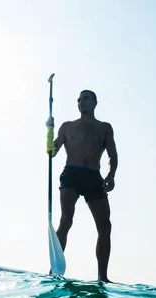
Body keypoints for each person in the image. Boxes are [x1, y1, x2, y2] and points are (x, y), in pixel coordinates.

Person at [51, 89, 118, 283]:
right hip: (71, 174)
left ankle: (102, 277)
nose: (81, 102)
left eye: (85, 98)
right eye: (78, 100)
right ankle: (53, 271)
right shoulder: (67, 127)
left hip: (93, 177)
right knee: (66, 221)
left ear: (95, 102)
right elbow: (52, 152)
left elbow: (113, 155)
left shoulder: (105, 128)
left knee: (105, 226)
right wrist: (49, 132)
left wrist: (111, 175)